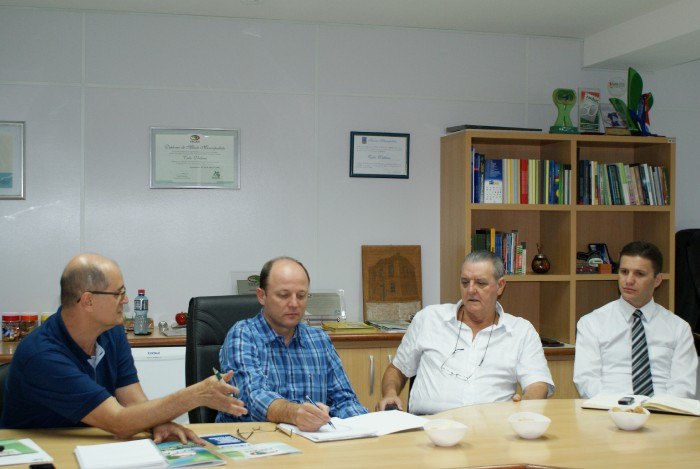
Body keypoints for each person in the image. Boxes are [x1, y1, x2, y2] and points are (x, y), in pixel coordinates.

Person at [0, 253, 247, 442]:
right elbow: (118, 421)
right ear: (88, 301)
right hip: (41, 453)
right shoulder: (42, 355)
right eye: (119, 293)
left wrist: (156, 422)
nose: (126, 301)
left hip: (93, 446)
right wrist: (195, 395)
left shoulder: (111, 331)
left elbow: (132, 401)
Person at [378, 250, 554, 415]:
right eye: (465, 282)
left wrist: (527, 403)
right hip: (427, 426)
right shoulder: (428, 319)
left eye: (480, 283)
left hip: (492, 431)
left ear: (500, 286)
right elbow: (397, 369)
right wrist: (390, 393)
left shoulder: (521, 331)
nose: (471, 290)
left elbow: (537, 383)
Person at [217, 256, 367, 431]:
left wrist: (364, 424)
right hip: (252, 442)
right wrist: (295, 413)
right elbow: (252, 397)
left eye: (301, 296)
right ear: (262, 296)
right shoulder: (243, 334)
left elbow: (344, 399)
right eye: (283, 295)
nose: (295, 304)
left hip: (312, 444)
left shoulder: (319, 339)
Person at [574, 241, 698, 398]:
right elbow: (587, 381)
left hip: (663, 413)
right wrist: (622, 410)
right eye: (624, 272)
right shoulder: (592, 323)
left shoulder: (678, 328)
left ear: (658, 280)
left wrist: (659, 411)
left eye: (639, 274)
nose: (629, 280)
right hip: (609, 412)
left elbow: (683, 385)